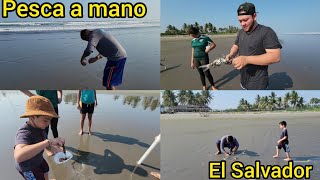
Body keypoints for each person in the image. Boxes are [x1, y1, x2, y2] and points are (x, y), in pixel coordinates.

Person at [226, 2, 282, 90]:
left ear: (254, 16)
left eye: (245, 20)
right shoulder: (241, 32)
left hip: (258, 84)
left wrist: (246, 59)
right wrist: (231, 54)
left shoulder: (266, 32)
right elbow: (236, 45)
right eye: (240, 21)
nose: (242, 24)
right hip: (243, 81)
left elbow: (275, 56)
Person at [14, 96, 65, 180]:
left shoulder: (40, 127)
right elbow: (19, 156)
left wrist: (53, 148)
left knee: (46, 170)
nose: (48, 123)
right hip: (28, 167)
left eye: (50, 120)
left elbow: (42, 141)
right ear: (33, 117)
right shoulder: (24, 133)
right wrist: (48, 142)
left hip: (38, 159)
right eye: (45, 120)